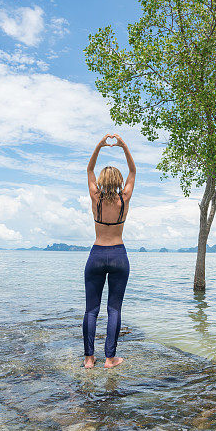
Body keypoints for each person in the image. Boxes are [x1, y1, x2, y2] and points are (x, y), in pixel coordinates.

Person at [83, 133, 136, 368]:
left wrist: (100, 145)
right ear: (119, 180)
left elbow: (89, 169)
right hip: (118, 255)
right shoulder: (123, 199)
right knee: (114, 308)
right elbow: (133, 171)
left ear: (103, 180)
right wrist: (123, 146)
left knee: (91, 310)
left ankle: (88, 358)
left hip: (96, 254)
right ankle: (110, 358)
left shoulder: (96, 198)